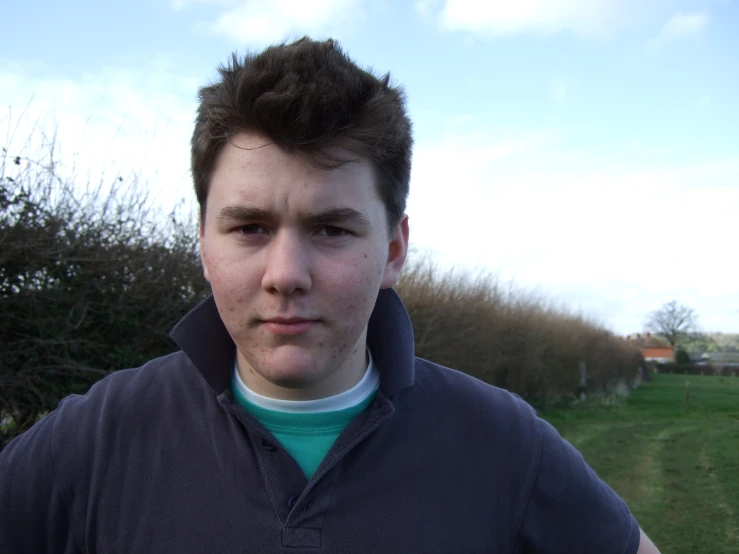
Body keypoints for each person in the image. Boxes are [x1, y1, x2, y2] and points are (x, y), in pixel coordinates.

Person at [0, 37, 661, 553]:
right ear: (204, 242)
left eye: (330, 229)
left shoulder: (506, 446)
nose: (286, 273)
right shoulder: (84, 445)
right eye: (250, 228)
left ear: (394, 250)